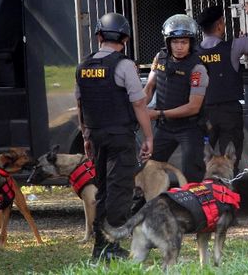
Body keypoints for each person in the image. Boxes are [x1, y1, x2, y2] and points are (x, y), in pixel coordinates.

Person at [75, 13, 153, 262]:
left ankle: (100, 246)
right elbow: (139, 103)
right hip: (120, 136)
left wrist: (86, 135)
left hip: (96, 135)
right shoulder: (124, 65)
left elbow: (80, 104)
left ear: (99, 36)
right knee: (120, 191)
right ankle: (109, 246)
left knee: (103, 191)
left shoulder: (82, 67)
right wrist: (149, 137)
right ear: (126, 39)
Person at [196, 2, 248, 174]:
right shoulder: (233, 47)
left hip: (203, 114)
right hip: (230, 113)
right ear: (220, 24)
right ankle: (226, 198)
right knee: (230, 164)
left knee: (201, 163)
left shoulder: (193, 52)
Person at [144, 14, 208, 182]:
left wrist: (158, 114)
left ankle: (196, 205)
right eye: (175, 42)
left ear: (191, 43)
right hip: (165, 127)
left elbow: (193, 107)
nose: (179, 47)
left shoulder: (197, 68)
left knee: (192, 173)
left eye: (184, 42)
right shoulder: (160, 58)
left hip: (189, 129)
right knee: (148, 168)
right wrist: (139, 109)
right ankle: (143, 204)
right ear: (168, 42)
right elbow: (150, 87)